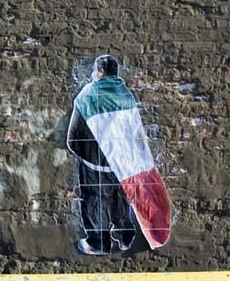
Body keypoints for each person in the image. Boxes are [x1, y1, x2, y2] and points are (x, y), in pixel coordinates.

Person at [67, 55, 171, 255]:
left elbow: (73, 140)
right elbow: (136, 133)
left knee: (95, 201)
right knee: (120, 199)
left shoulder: (86, 96)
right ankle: (125, 236)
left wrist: (91, 160)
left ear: (99, 72)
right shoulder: (125, 95)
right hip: (123, 164)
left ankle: (99, 243)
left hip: (95, 166)